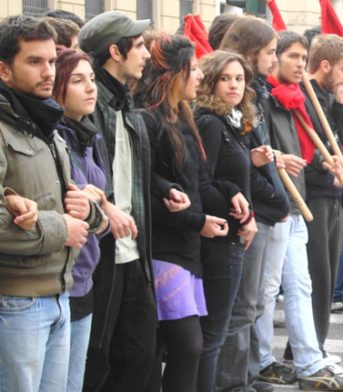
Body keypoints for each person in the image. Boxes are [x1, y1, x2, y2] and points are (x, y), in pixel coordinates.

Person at [258, 30, 343, 391]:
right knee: (268, 290)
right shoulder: (266, 98)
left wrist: (326, 161)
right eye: (290, 56)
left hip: (296, 203)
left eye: (303, 57)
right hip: (277, 204)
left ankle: (309, 359)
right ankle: (259, 360)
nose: (299, 64)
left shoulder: (293, 99)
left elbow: (307, 147)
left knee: (302, 284)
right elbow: (268, 150)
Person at [0, 15, 96, 390]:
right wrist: (60, 229)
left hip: (59, 295)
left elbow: (77, 202)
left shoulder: (46, 126)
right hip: (15, 301)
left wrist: (90, 210)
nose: (48, 72)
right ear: (4, 70)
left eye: (52, 62)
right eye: (34, 62)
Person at [134, 33, 232, 392]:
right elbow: (146, 186)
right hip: (163, 248)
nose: (200, 77)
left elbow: (198, 177)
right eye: (193, 69)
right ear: (173, 75)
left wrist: (232, 193)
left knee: (183, 346)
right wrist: (196, 220)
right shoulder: (147, 121)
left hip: (188, 247)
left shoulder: (183, 117)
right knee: (186, 345)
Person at [79, 11, 163, 391]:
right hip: (102, 253)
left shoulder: (127, 102)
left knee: (142, 355)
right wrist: (107, 207)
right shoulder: (88, 104)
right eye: (140, 45)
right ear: (115, 51)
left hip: (135, 249)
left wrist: (164, 190)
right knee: (99, 361)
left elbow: (134, 173)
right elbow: (78, 174)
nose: (146, 53)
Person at [217, 16, 291, 392]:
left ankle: (245, 374)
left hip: (262, 208)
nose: (275, 60)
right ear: (249, 53)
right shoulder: (223, 109)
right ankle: (232, 382)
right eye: (270, 52)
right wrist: (269, 195)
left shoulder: (255, 94)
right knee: (241, 306)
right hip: (247, 214)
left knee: (253, 304)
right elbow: (229, 165)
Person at [195, 50, 260, 392]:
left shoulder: (231, 121)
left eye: (239, 78)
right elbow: (201, 181)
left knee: (217, 330)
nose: (234, 85)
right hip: (219, 237)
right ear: (210, 81)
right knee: (213, 333)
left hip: (232, 234)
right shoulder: (209, 121)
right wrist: (244, 216)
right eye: (225, 78)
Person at [294, 33, 343, 368]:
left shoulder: (330, 96)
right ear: (325, 65)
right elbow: (310, 146)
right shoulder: (306, 98)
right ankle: (309, 345)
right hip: (316, 194)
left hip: (334, 194)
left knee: (328, 274)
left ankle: (311, 342)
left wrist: (342, 102)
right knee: (316, 274)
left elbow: (339, 141)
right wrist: (328, 169)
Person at [53, 49, 110, 392]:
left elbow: (99, 210)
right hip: (58, 280)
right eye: (77, 80)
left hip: (86, 278)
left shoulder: (88, 136)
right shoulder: (54, 137)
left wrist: (99, 212)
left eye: (91, 79)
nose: (90, 88)